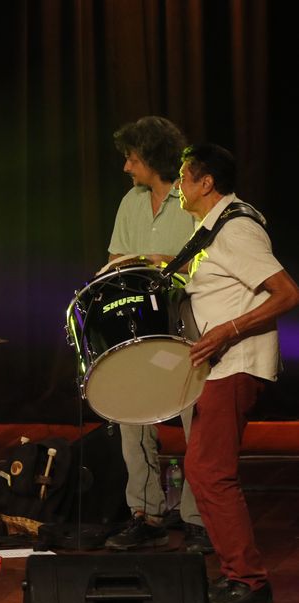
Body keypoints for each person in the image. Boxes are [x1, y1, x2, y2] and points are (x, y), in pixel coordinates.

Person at [178, 143, 299, 603]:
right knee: (202, 469)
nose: (179, 187)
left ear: (206, 182)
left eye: (184, 177)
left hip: (235, 363)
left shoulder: (236, 229)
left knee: (210, 471)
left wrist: (226, 331)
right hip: (221, 365)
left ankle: (248, 580)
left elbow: (287, 293)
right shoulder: (213, 229)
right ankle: (238, 573)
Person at [100, 116, 212, 554]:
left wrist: (164, 261)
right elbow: (116, 257)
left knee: (195, 420)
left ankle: (199, 519)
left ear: (152, 157)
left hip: (188, 318)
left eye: (132, 158)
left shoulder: (194, 197)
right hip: (140, 322)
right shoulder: (131, 202)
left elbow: (215, 260)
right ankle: (146, 515)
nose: (126, 167)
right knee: (131, 417)